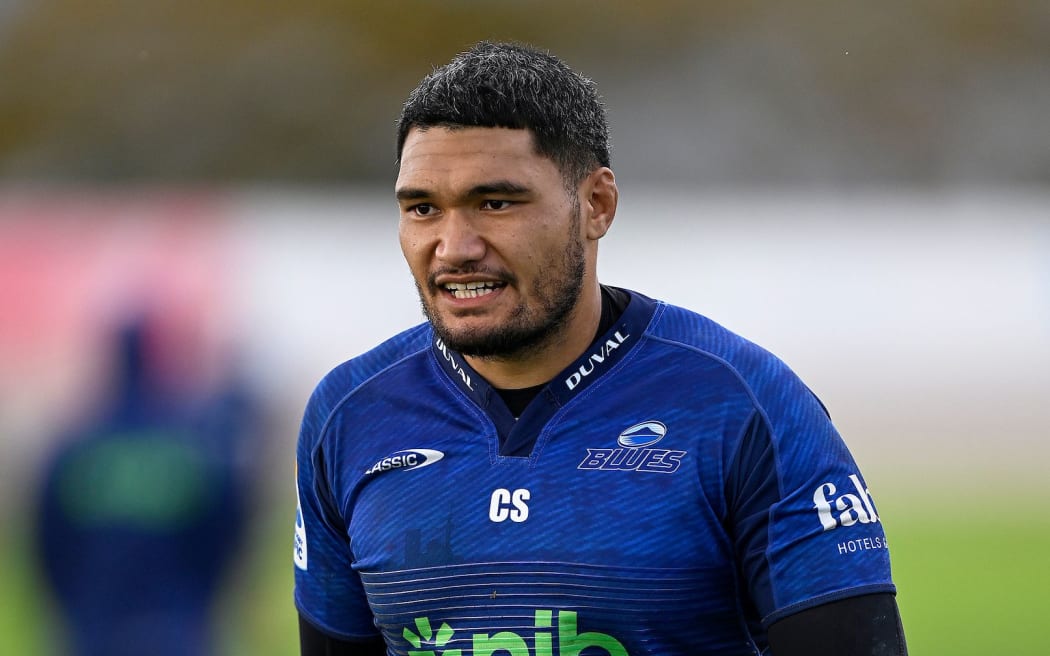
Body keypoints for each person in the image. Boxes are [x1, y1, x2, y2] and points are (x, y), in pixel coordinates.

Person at [294, 41, 907, 655]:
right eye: (423, 208)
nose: (454, 247)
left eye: (495, 203)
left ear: (597, 204)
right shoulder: (349, 414)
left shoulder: (741, 404)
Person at [35, 313, 259, 656]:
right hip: (176, 627)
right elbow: (228, 530)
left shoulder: (76, 450)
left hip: (94, 627)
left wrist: (74, 607)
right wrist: (201, 600)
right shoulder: (194, 447)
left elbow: (48, 542)